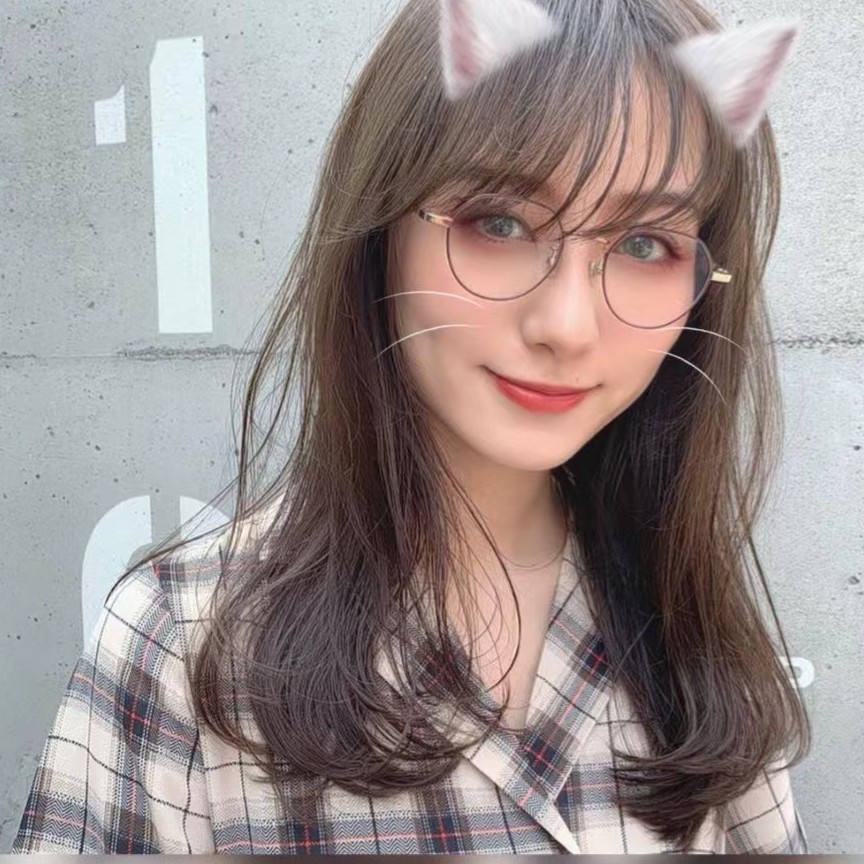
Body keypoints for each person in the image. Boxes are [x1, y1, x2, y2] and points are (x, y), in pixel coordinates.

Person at [13, 0, 811, 854]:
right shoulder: (184, 643)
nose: (567, 324)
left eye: (646, 243)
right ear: (381, 229)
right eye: (499, 223)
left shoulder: (690, 633)